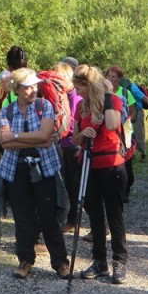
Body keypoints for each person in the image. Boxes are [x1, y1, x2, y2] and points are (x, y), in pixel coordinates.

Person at [0, 68, 70, 280]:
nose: (33, 90)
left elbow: (46, 134)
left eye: (35, 86)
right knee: (23, 217)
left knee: (49, 216)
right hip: (16, 169)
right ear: (17, 89)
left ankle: (60, 262)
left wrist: (15, 137)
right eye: (28, 87)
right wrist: (35, 139)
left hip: (44, 167)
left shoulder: (44, 105)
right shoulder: (7, 110)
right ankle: (25, 260)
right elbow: (4, 141)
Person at [72, 65, 129, 285]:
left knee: (114, 215)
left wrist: (108, 94)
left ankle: (119, 261)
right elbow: (74, 138)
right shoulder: (81, 107)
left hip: (112, 164)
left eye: (80, 88)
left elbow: (114, 124)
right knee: (95, 215)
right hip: (89, 163)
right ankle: (99, 262)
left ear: (90, 86)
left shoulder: (112, 100)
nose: (77, 92)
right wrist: (82, 134)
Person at [52, 61, 82, 233]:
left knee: (75, 186)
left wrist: (57, 132)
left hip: (72, 145)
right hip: (65, 143)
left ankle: (75, 220)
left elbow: (71, 122)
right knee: (69, 185)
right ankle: (72, 219)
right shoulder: (65, 95)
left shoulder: (74, 95)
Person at [105, 65, 137, 202]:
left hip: (126, 130)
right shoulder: (103, 93)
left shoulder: (125, 93)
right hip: (110, 131)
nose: (111, 79)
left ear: (119, 78)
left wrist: (127, 119)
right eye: (109, 76)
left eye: (114, 77)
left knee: (127, 161)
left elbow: (133, 112)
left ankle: (126, 188)